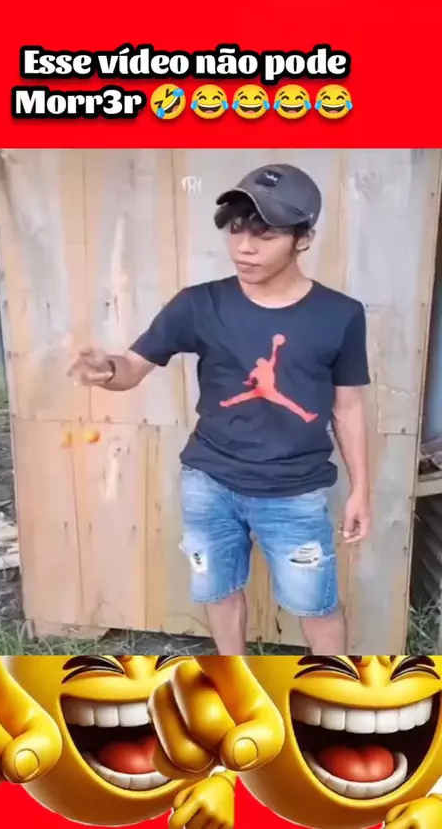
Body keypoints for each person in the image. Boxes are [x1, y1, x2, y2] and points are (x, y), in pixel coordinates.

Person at [68, 163, 371, 656]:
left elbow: (349, 406)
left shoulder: (341, 315)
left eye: (265, 234)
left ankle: (333, 687)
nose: (244, 247)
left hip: (294, 492)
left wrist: (361, 490)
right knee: (219, 592)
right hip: (209, 482)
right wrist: (107, 370)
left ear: (303, 238)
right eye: (236, 230)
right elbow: (133, 367)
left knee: (316, 606)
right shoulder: (198, 304)